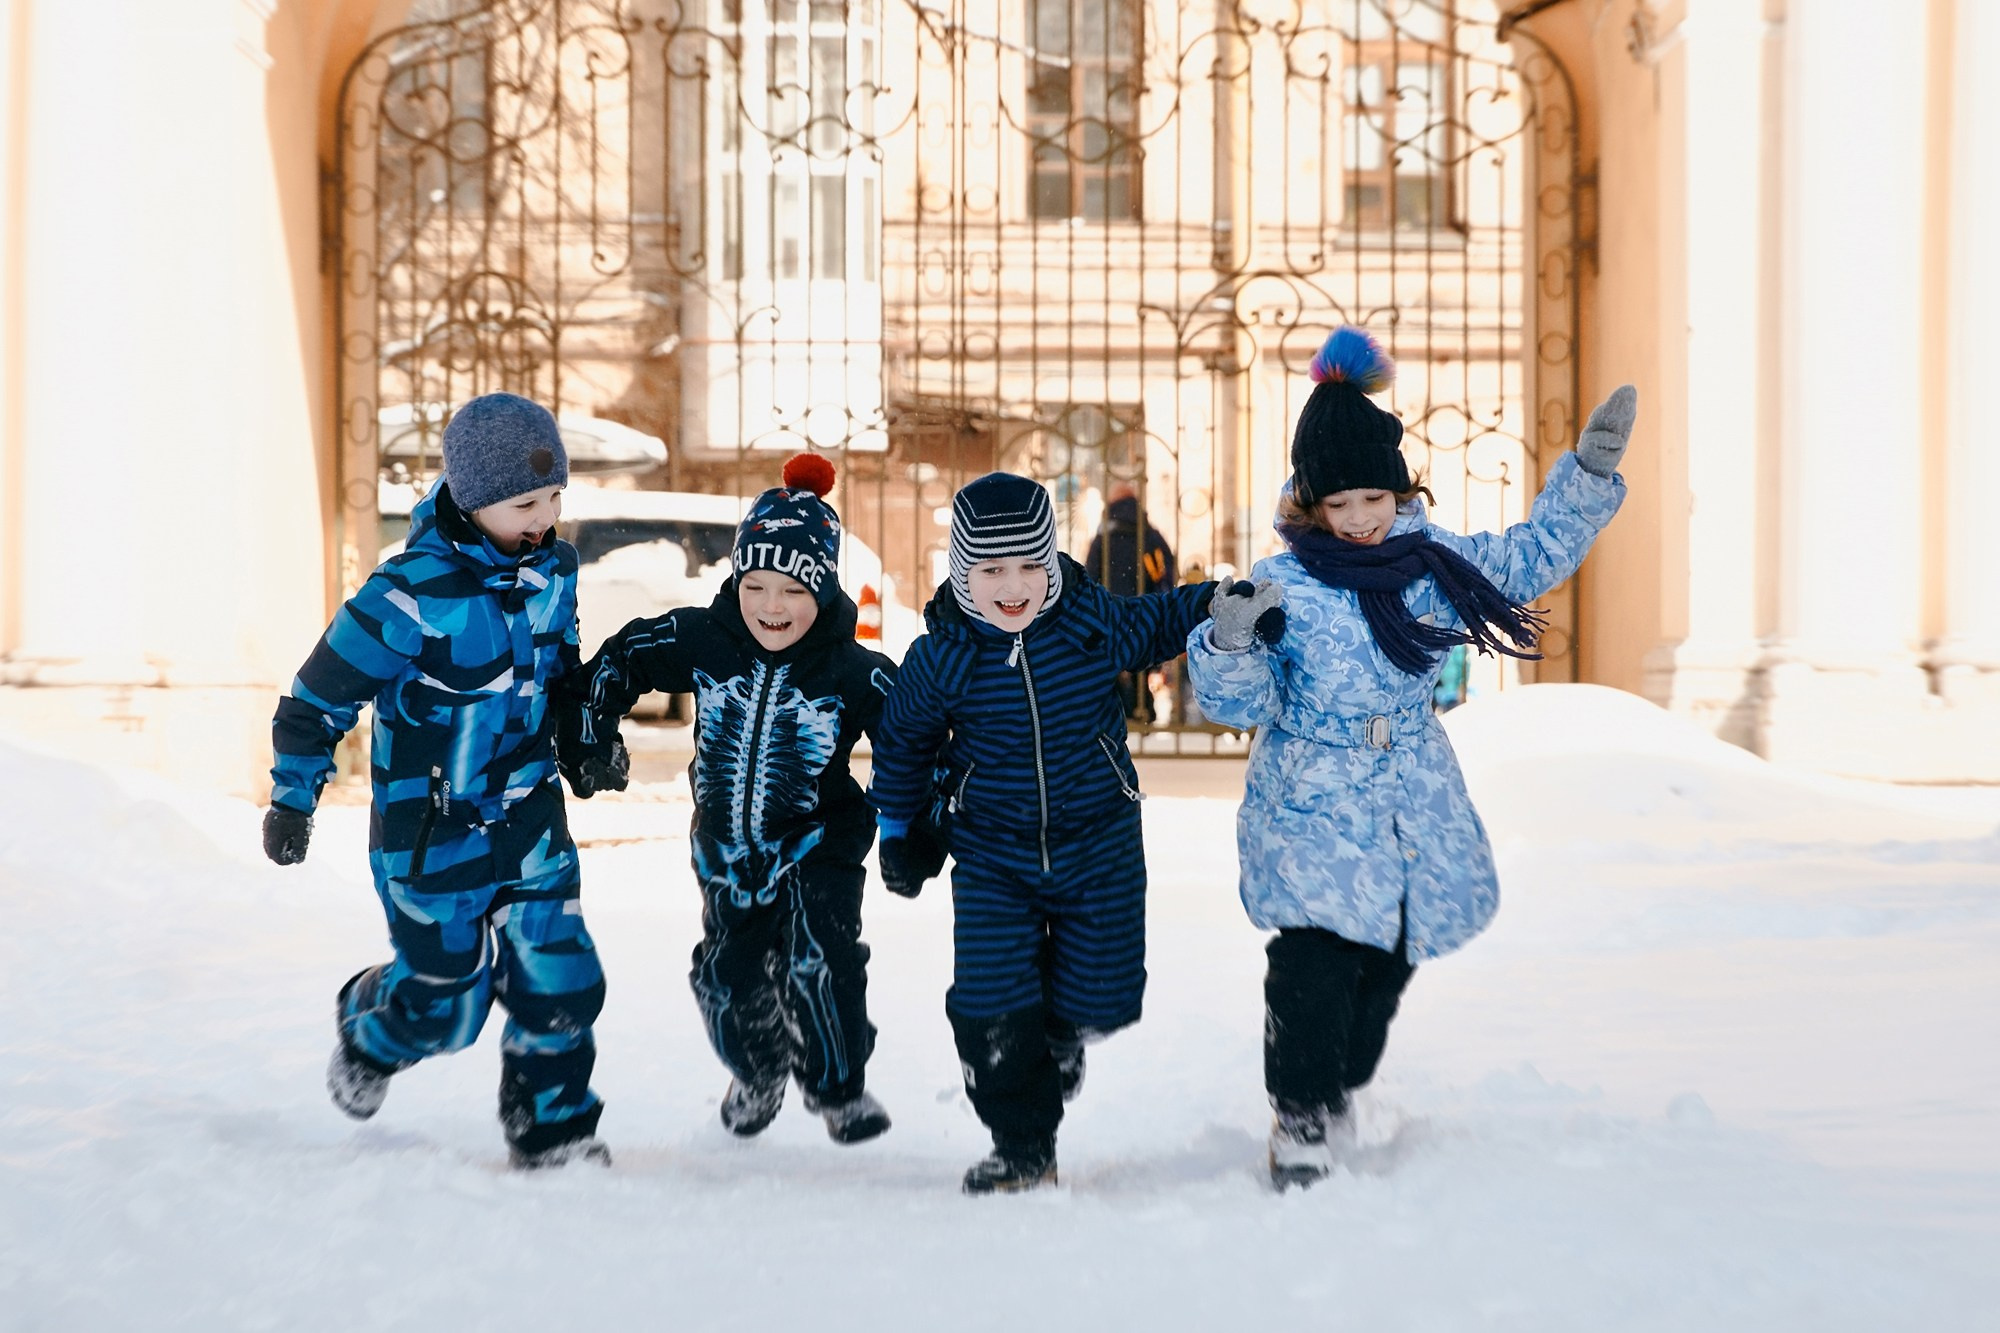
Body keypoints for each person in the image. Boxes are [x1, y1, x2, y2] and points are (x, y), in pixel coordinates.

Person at [1186, 327, 1636, 1190]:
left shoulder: (1434, 565)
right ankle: (1301, 1112)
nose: (1360, 518)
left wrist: (1587, 477)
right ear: (1311, 505)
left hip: (1409, 791)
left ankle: (1341, 1076)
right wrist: (1230, 643)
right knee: (1314, 959)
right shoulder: (1287, 585)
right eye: (1340, 503)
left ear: (1399, 491)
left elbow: (1528, 557)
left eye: (1373, 497)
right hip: (1311, 799)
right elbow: (1243, 705)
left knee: (1389, 952)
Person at [263, 392, 614, 1169]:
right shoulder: (407, 594)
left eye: (555, 496)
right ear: (474, 497)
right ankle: (371, 1026)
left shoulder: (554, 570)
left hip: (528, 816)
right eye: (525, 503)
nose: (545, 518)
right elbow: (316, 699)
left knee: (560, 976)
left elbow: (558, 670)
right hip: (432, 831)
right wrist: (292, 797)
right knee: (448, 1005)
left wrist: (584, 736)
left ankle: (554, 1129)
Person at [867, 473, 1229, 1194]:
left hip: (1099, 842)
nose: (1013, 587)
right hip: (992, 854)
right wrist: (900, 827)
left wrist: (1217, 602)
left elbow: (1158, 619)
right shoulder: (942, 657)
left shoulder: (1087, 622)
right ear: (961, 571)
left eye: (1030, 565)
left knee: (1103, 994)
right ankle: (1022, 1146)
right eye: (990, 570)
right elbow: (903, 743)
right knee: (992, 1006)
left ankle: (1063, 1037)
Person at [560, 454, 897, 1145]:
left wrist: (918, 812)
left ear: (824, 588)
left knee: (820, 959)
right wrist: (591, 736)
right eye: (757, 585)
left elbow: (913, 736)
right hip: (725, 852)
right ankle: (759, 1069)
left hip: (818, 844)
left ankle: (838, 1087)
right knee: (726, 978)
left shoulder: (851, 669)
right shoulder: (705, 640)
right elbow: (624, 657)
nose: (772, 606)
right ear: (737, 577)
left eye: (794, 591)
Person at [1085, 481, 1180, 723]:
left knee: (1111, 664)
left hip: (1109, 611)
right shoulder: (1150, 536)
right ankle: (1142, 710)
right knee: (1141, 659)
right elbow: (1166, 573)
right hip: (1144, 610)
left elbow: (1089, 577)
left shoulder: (1103, 537)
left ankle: (1117, 714)